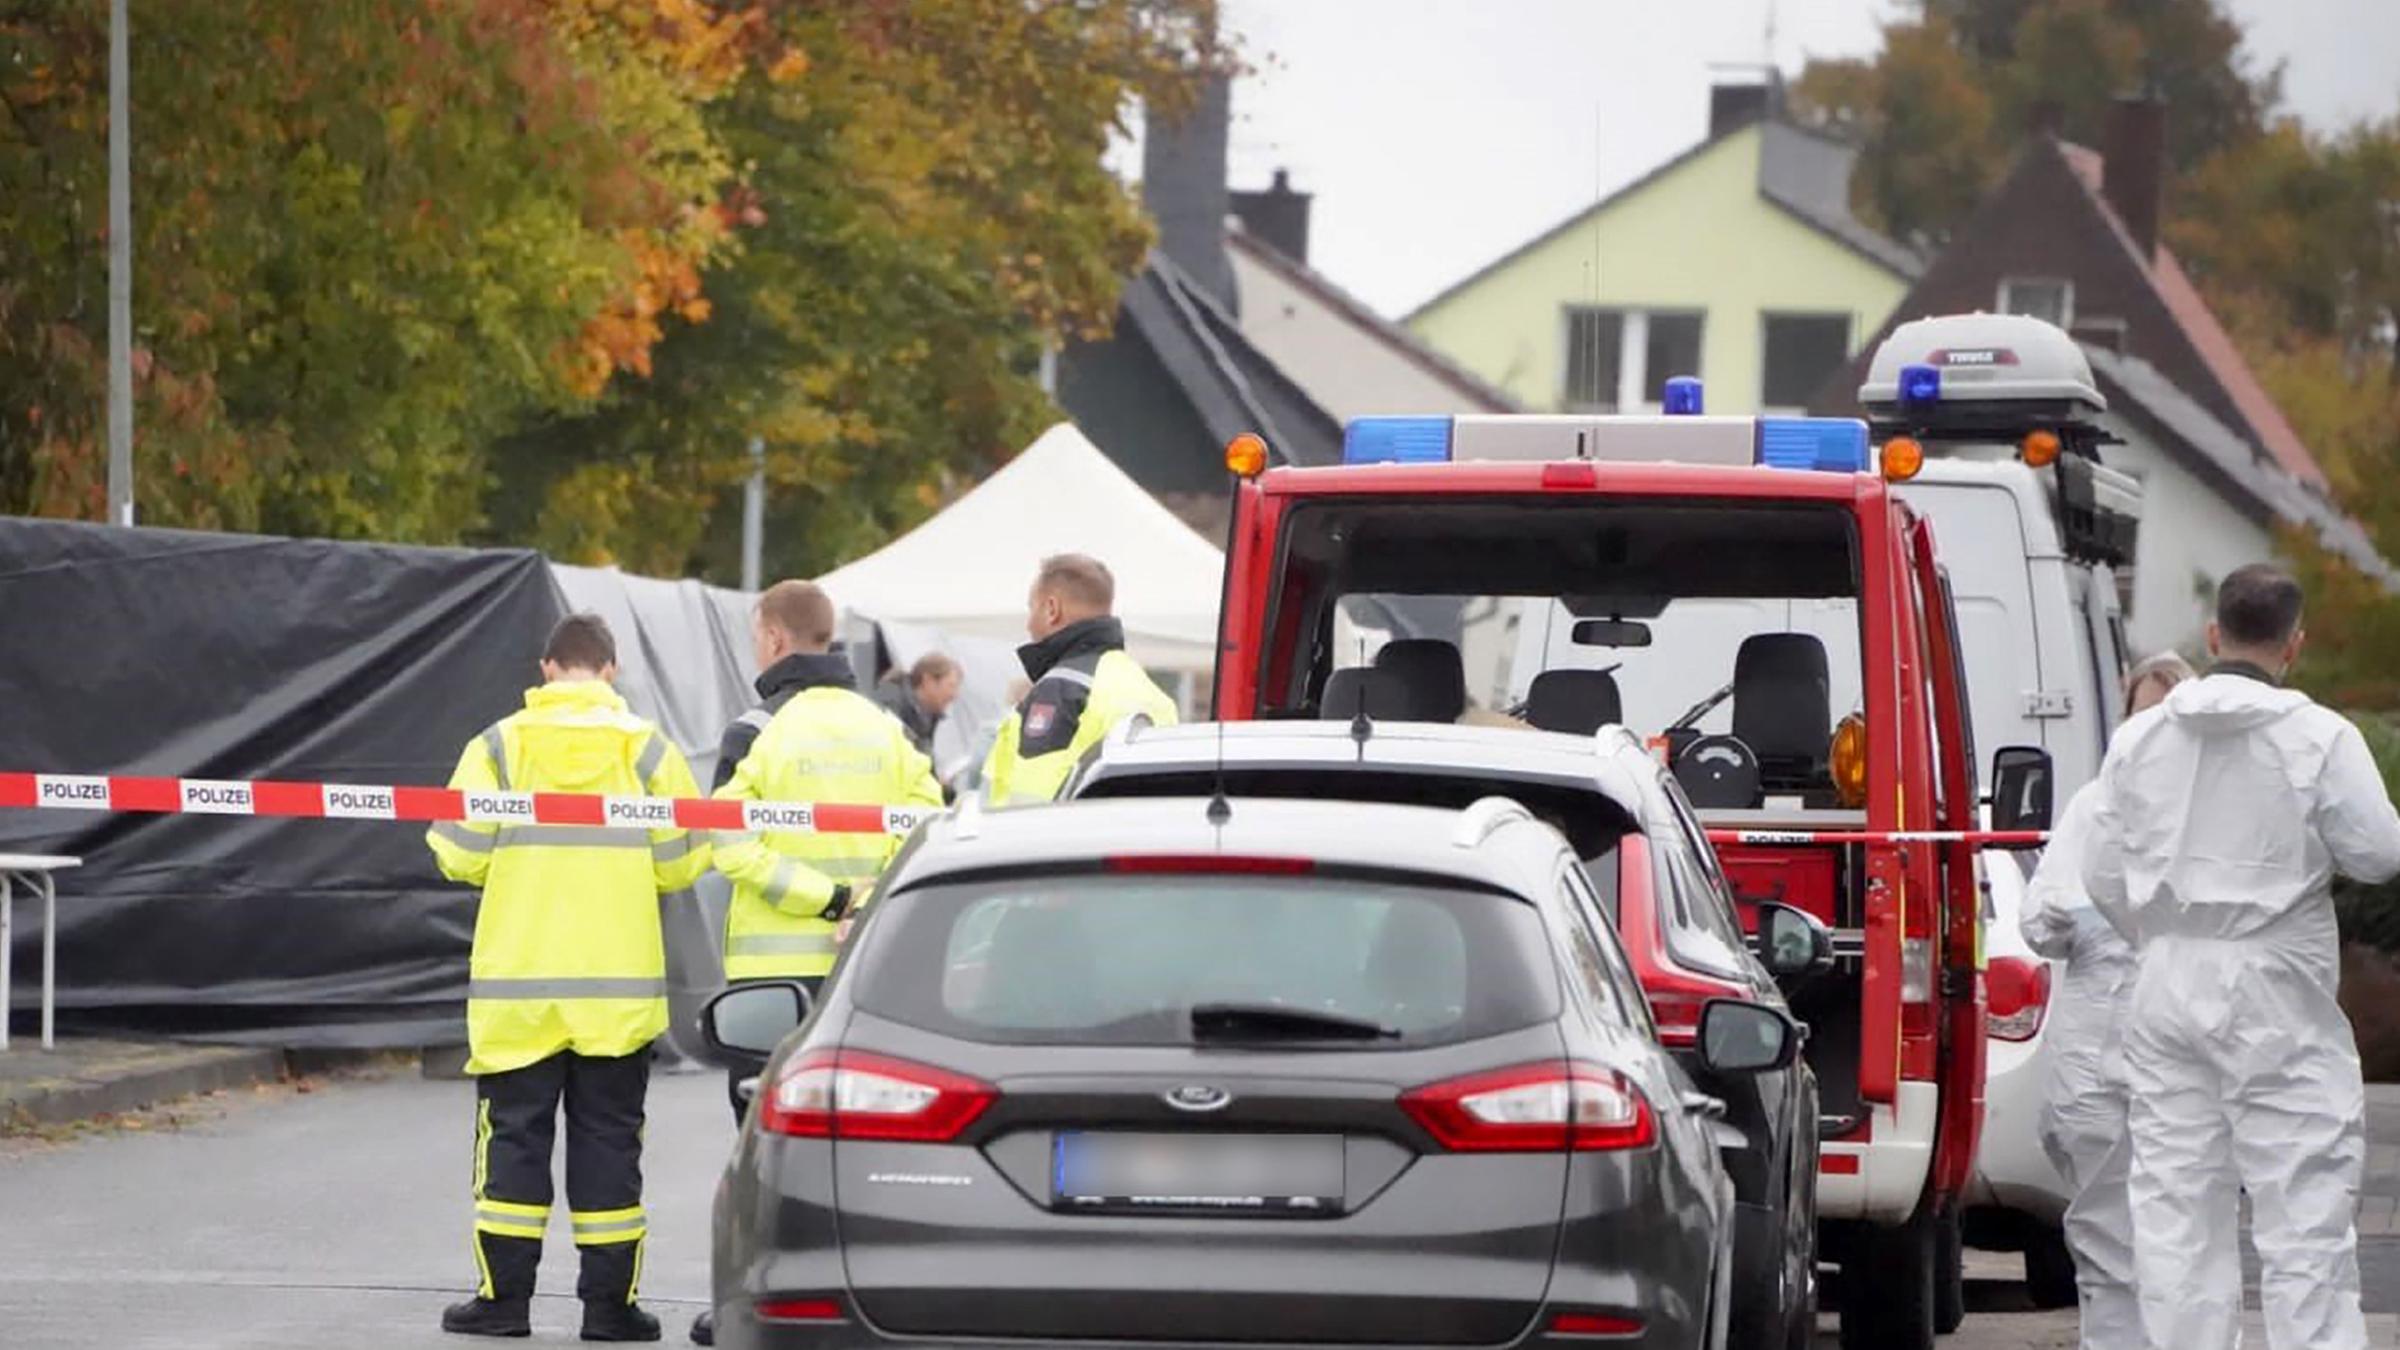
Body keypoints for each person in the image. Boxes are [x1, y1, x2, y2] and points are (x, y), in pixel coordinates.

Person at [2080, 564, 2400, 1350]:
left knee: (2177, 1210)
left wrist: (2155, 933)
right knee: (2303, 1211)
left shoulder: (2140, 738)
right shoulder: (2321, 738)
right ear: (2295, 644)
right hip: (2276, 985)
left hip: (2166, 983)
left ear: (2214, 634)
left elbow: (2099, 870)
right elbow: (2380, 853)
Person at [425, 613, 708, 1343]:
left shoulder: (497, 747)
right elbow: (681, 863)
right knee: (611, 1145)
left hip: (519, 991)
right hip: (617, 995)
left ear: (547, 667)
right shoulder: (649, 751)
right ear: (611, 671)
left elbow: (455, 852)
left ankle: (504, 1302)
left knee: (513, 1142)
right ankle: (610, 1310)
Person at [2018, 649, 2194, 1349]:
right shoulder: (2096, 806)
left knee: (2178, 1238)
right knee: (2105, 1238)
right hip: (2097, 1061)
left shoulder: (2213, 814)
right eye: (2142, 716)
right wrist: (2095, 916)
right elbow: (2041, 919)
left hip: (2181, 1055)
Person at [980, 554, 1179, 806]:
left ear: (1051, 609)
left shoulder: (1061, 690)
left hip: (1050, 843)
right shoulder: (1150, 692)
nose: (1028, 624)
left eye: (1032, 608)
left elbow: (1029, 806)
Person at [873, 651, 962, 759]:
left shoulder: (928, 714)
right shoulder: (890, 706)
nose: (955, 695)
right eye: (951, 686)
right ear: (928, 681)